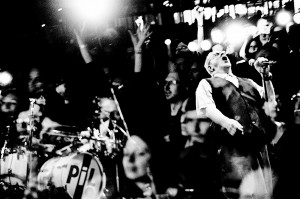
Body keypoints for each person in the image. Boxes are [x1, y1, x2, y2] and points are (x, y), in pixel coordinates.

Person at [196, 51, 277, 199]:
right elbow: (207, 108)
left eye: (222, 52)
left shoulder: (248, 81)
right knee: (243, 191)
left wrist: (265, 77)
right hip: (235, 146)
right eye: (215, 55)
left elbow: (270, 101)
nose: (221, 53)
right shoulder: (206, 83)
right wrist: (226, 122)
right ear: (210, 67)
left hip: (259, 143)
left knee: (265, 190)